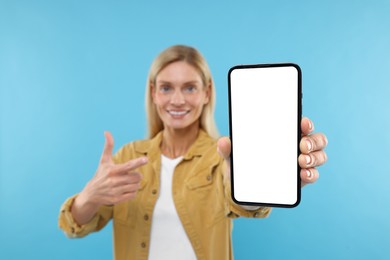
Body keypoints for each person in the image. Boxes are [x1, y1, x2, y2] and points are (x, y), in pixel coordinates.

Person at [58, 45, 328, 260]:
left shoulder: (221, 155)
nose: (177, 100)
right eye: (166, 88)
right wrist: (89, 197)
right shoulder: (130, 157)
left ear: (207, 92)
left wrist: (251, 186)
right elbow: (74, 226)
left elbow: (242, 203)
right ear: (153, 93)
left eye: (190, 87)